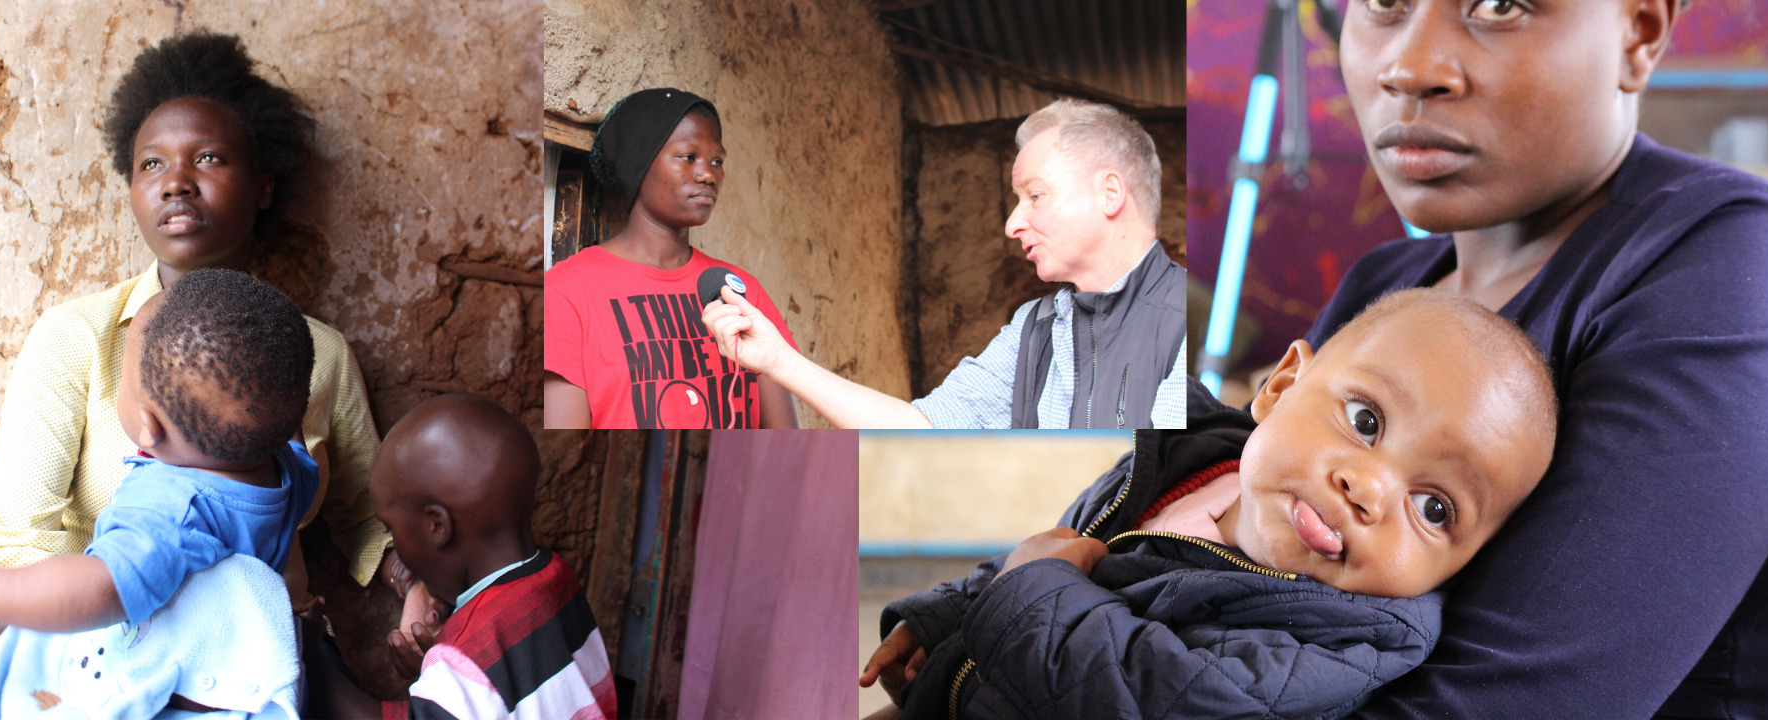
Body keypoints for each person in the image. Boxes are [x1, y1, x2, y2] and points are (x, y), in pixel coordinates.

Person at [1310, 1, 1768, 717]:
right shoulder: (1382, 285)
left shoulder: (1733, 263)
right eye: (1384, 4)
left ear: (1640, 32)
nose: (1409, 68)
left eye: (1500, 6)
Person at [0, 32, 439, 669]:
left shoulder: (318, 355)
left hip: (262, 665)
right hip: (103, 663)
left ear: (263, 186)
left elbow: (365, 514)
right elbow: (20, 538)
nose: (176, 183)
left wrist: (417, 591)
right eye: (151, 164)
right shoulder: (76, 337)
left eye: (208, 158)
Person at [860, 289, 1559, 719]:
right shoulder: (1188, 457)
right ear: (1282, 387)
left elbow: (1149, 698)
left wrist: (1026, 588)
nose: (1370, 488)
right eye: (1367, 422)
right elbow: (1061, 542)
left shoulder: (1349, 637)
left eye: (1434, 509)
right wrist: (946, 613)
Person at [0, 270, 316, 716]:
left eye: (124, 380)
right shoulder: (285, 471)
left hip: (135, 693)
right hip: (220, 681)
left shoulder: (169, 507)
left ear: (147, 428)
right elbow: (289, 430)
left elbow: (100, 589)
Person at [702, 98, 1186, 429]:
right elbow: (922, 427)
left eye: (1035, 195)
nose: (1012, 223)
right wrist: (778, 360)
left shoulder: (1190, 325)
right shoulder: (1034, 329)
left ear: (1110, 193)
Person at [305, 394, 617, 720]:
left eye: (391, 527)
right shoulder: (557, 577)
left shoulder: (467, 658)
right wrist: (441, 677)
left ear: (437, 525)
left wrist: (313, 660)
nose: (394, 540)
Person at [543, 87, 800, 429]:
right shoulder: (566, 292)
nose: (708, 174)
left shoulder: (741, 291)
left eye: (717, 161)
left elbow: (786, 440)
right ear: (640, 164)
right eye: (687, 156)